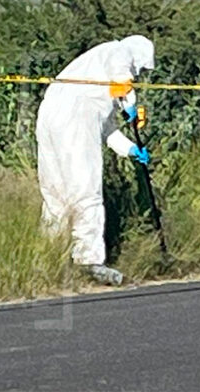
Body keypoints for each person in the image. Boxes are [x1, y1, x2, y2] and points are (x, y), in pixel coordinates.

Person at [35, 35, 155, 286]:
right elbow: (122, 75)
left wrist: (131, 149)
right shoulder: (119, 51)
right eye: (140, 70)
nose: (138, 74)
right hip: (76, 119)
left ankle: (49, 255)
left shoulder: (95, 72)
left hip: (49, 116)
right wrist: (129, 102)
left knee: (55, 192)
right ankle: (88, 260)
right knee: (86, 191)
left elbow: (106, 127)